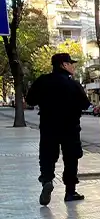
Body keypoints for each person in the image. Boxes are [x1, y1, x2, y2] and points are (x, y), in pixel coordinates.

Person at [25, 53, 91, 206]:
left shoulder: (42, 80)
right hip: (70, 127)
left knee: (47, 155)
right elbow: (85, 104)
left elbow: (30, 100)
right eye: (70, 63)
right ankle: (70, 191)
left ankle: (47, 181)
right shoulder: (73, 84)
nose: (73, 66)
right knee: (71, 158)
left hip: (48, 126)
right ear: (63, 65)